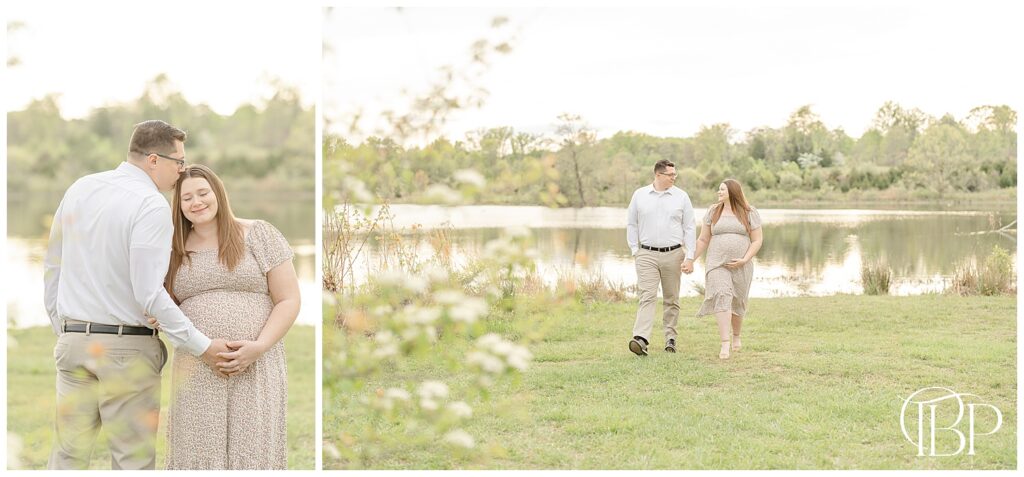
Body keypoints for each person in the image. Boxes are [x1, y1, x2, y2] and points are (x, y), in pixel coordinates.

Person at [43, 120, 230, 470]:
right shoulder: (151, 205)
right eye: (179, 162)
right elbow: (149, 294)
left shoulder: (80, 188)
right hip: (126, 350)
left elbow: (53, 266)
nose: (182, 171)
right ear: (154, 160)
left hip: (72, 346)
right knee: (132, 463)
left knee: (67, 457)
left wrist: (64, 329)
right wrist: (203, 346)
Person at [157, 164, 300, 469]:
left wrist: (258, 347)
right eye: (186, 198)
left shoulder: (259, 233)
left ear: (218, 193)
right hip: (197, 362)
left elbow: (288, 299)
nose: (196, 202)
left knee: (252, 448)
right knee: (197, 449)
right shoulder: (171, 248)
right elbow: (161, 304)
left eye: (202, 193)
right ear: (178, 206)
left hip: (257, 362)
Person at [626, 159, 697, 356]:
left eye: (675, 174)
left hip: (674, 254)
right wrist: (635, 249)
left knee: (671, 298)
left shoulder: (681, 197)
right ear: (658, 175)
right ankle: (641, 339)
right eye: (670, 175)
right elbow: (631, 224)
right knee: (647, 295)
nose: (674, 178)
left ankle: (670, 338)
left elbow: (690, 227)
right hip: (646, 254)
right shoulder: (639, 195)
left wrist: (689, 257)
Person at [692, 179, 764, 359]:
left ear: (732, 191)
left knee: (738, 301)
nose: (719, 192)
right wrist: (690, 259)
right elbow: (703, 240)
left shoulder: (749, 212)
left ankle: (736, 336)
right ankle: (725, 343)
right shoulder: (713, 211)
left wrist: (744, 259)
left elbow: (757, 240)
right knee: (722, 296)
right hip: (717, 263)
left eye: (722, 189)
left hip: (742, 264)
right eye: (719, 189)